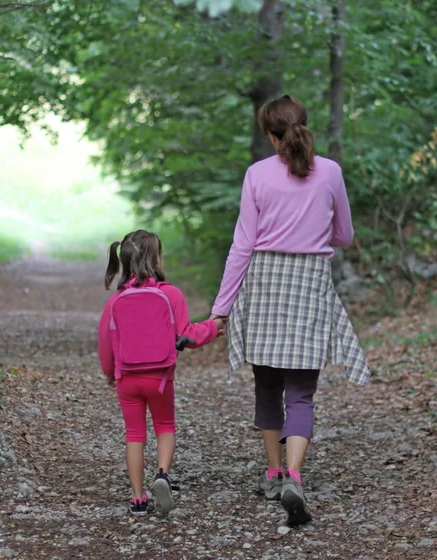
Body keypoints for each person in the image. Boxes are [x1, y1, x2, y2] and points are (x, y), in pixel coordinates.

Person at [210, 95, 370, 526]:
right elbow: (345, 235)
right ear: (305, 126)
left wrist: (221, 309)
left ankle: (273, 472)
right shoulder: (331, 171)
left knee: (267, 388)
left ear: (269, 133)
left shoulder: (257, 174)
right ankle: (294, 475)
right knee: (301, 392)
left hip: (264, 286)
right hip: (309, 285)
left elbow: (243, 245)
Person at [98, 229, 225, 516]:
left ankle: (137, 498)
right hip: (159, 378)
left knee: (134, 435)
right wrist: (214, 327)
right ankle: (162, 475)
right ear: (156, 258)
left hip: (126, 379)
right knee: (165, 426)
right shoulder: (171, 294)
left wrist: (109, 371)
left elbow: (106, 341)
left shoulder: (116, 299)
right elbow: (187, 335)